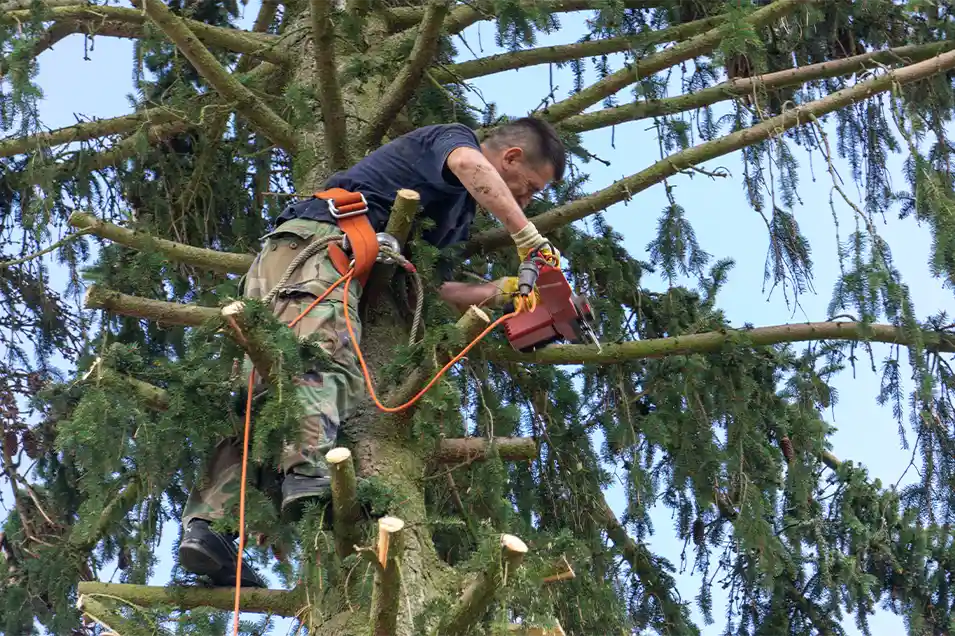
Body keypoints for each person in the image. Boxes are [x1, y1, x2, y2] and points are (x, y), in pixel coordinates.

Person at [176, 117, 566, 588]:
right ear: (510, 157)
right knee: (322, 356)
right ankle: (307, 473)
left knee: (260, 389)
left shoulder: (455, 214)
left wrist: (500, 292)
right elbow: (468, 164)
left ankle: (209, 530)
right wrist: (528, 238)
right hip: (323, 248)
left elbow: (434, 284)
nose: (523, 201)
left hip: (298, 256)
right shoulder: (451, 140)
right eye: (527, 188)